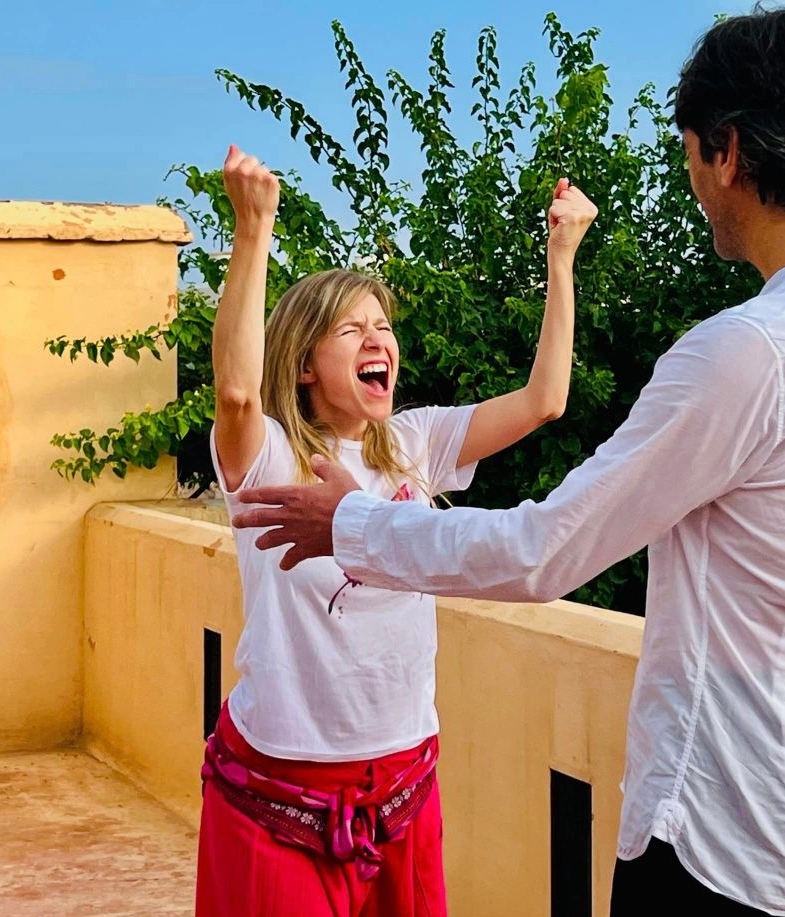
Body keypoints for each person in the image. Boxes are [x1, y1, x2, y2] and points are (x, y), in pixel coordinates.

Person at [231, 9, 785, 917]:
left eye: (691, 156)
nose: (694, 184)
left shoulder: (752, 351)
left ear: (728, 152)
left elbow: (544, 550)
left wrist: (351, 524)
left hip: (731, 845)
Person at [196, 142, 597, 917]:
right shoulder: (270, 454)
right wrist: (253, 230)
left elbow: (545, 399)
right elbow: (238, 391)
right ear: (305, 364)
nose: (379, 339)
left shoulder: (415, 441)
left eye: (383, 326)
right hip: (281, 794)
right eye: (352, 330)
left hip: (405, 783)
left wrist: (562, 257)